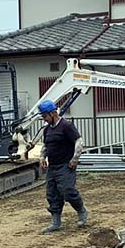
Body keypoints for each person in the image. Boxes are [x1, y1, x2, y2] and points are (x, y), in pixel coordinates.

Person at [38, 99, 88, 233]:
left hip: (66, 165)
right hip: (52, 167)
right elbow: (46, 145)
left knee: (67, 191)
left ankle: (81, 210)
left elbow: (78, 141)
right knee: (52, 194)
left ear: (53, 113)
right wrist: (42, 157)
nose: (44, 119)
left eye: (45, 116)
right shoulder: (47, 129)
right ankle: (56, 222)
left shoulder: (66, 126)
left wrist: (75, 159)